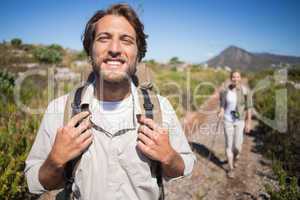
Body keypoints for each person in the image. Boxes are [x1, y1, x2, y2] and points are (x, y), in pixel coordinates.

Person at [25, 3, 196, 200]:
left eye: (126, 40)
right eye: (103, 39)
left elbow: (183, 166)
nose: (114, 49)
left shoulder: (161, 108)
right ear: (90, 50)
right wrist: (55, 161)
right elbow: (35, 182)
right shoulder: (59, 109)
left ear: (138, 54)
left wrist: (169, 157)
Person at [218, 70, 252, 178]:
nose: (235, 79)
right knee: (229, 144)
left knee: (238, 146)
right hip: (228, 119)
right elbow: (222, 105)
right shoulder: (224, 91)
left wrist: (248, 122)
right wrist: (221, 112)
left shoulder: (245, 91)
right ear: (230, 78)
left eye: (237, 77)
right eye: (233, 77)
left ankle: (235, 157)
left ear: (240, 78)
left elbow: (249, 108)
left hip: (239, 120)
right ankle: (231, 168)